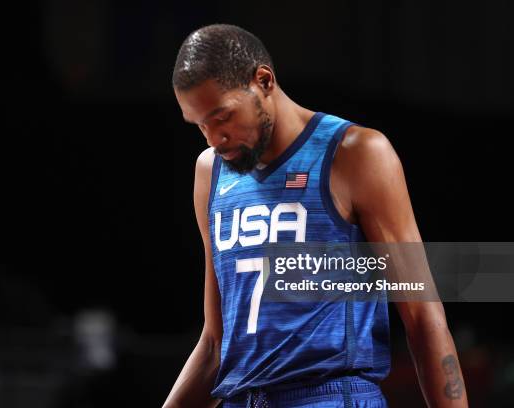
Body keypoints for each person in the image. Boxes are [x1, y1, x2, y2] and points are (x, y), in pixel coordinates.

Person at [163, 24, 468, 408]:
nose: (212, 137)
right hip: (243, 397)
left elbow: (423, 316)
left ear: (263, 81)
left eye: (222, 116)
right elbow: (215, 344)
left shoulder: (357, 153)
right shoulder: (210, 172)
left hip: (331, 394)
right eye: (200, 124)